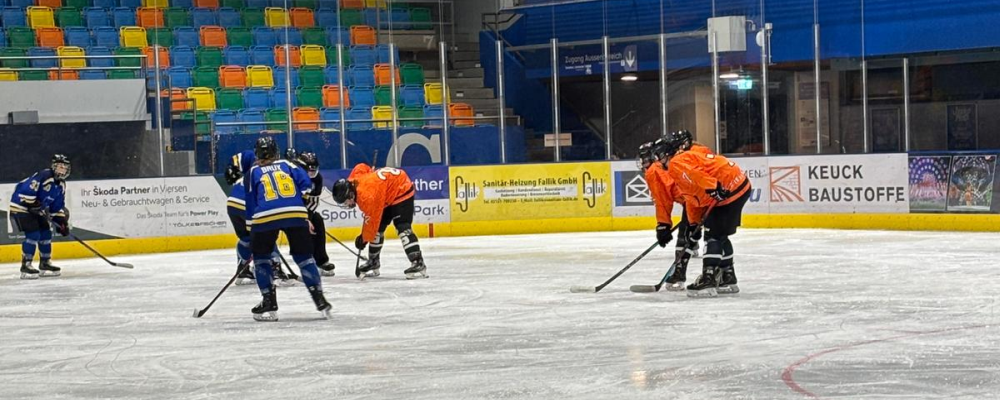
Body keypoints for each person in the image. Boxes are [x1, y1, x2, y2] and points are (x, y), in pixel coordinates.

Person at [654, 131, 751, 297]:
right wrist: (693, 224)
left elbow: (696, 175)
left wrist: (713, 187)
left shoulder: (676, 162)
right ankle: (728, 277)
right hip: (738, 186)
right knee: (720, 234)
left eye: (660, 155)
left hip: (727, 189)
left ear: (667, 152)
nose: (658, 160)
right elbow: (693, 197)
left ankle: (708, 278)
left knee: (713, 235)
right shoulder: (684, 158)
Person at [244, 137, 330, 321]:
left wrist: (254, 235)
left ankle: (269, 302)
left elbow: (251, 204)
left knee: (261, 259)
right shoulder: (288, 165)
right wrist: (301, 211)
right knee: (305, 258)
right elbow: (307, 186)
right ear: (276, 152)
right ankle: (319, 297)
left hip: (265, 216)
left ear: (257, 154)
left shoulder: (252, 172)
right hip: (296, 213)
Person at [331, 163, 427, 280]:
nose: (347, 204)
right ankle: (373, 261)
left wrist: (364, 239)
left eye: (346, 202)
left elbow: (372, 222)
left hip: (401, 189)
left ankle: (418, 262)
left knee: (402, 227)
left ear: (350, 194)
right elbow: (361, 167)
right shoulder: (353, 178)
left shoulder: (366, 197)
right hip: (385, 193)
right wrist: (371, 171)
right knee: (379, 228)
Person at [224, 150, 296, 287]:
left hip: (233, 203)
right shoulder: (281, 172)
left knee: (247, 238)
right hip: (247, 204)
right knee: (266, 235)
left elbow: (235, 162)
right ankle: (275, 270)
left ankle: (242, 271)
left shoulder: (255, 167)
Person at [638, 140, 698, 291]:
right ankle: (723, 273)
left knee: (685, 236)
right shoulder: (664, 163)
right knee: (714, 235)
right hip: (698, 196)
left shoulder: (653, 171)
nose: (641, 162)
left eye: (643, 158)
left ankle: (679, 272)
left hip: (693, 199)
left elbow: (662, 200)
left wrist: (663, 225)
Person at [8, 155, 71, 280]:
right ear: (54, 166)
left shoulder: (61, 185)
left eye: (64, 167)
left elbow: (56, 206)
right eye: (59, 166)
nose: (62, 169)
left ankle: (45, 263)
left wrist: (61, 221)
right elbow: (25, 189)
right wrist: (32, 202)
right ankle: (26, 265)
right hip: (21, 207)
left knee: (46, 233)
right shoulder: (44, 176)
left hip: (37, 210)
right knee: (33, 234)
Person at [289, 151, 335, 276]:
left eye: (313, 171)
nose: (312, 175)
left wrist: (306, 218)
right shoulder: (290, 176)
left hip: (303, 210)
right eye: (309, 172)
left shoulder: (317, 179)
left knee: (318, 220)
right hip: (286, 209)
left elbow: (313, 202)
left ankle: (321, 260)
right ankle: (269, 263)